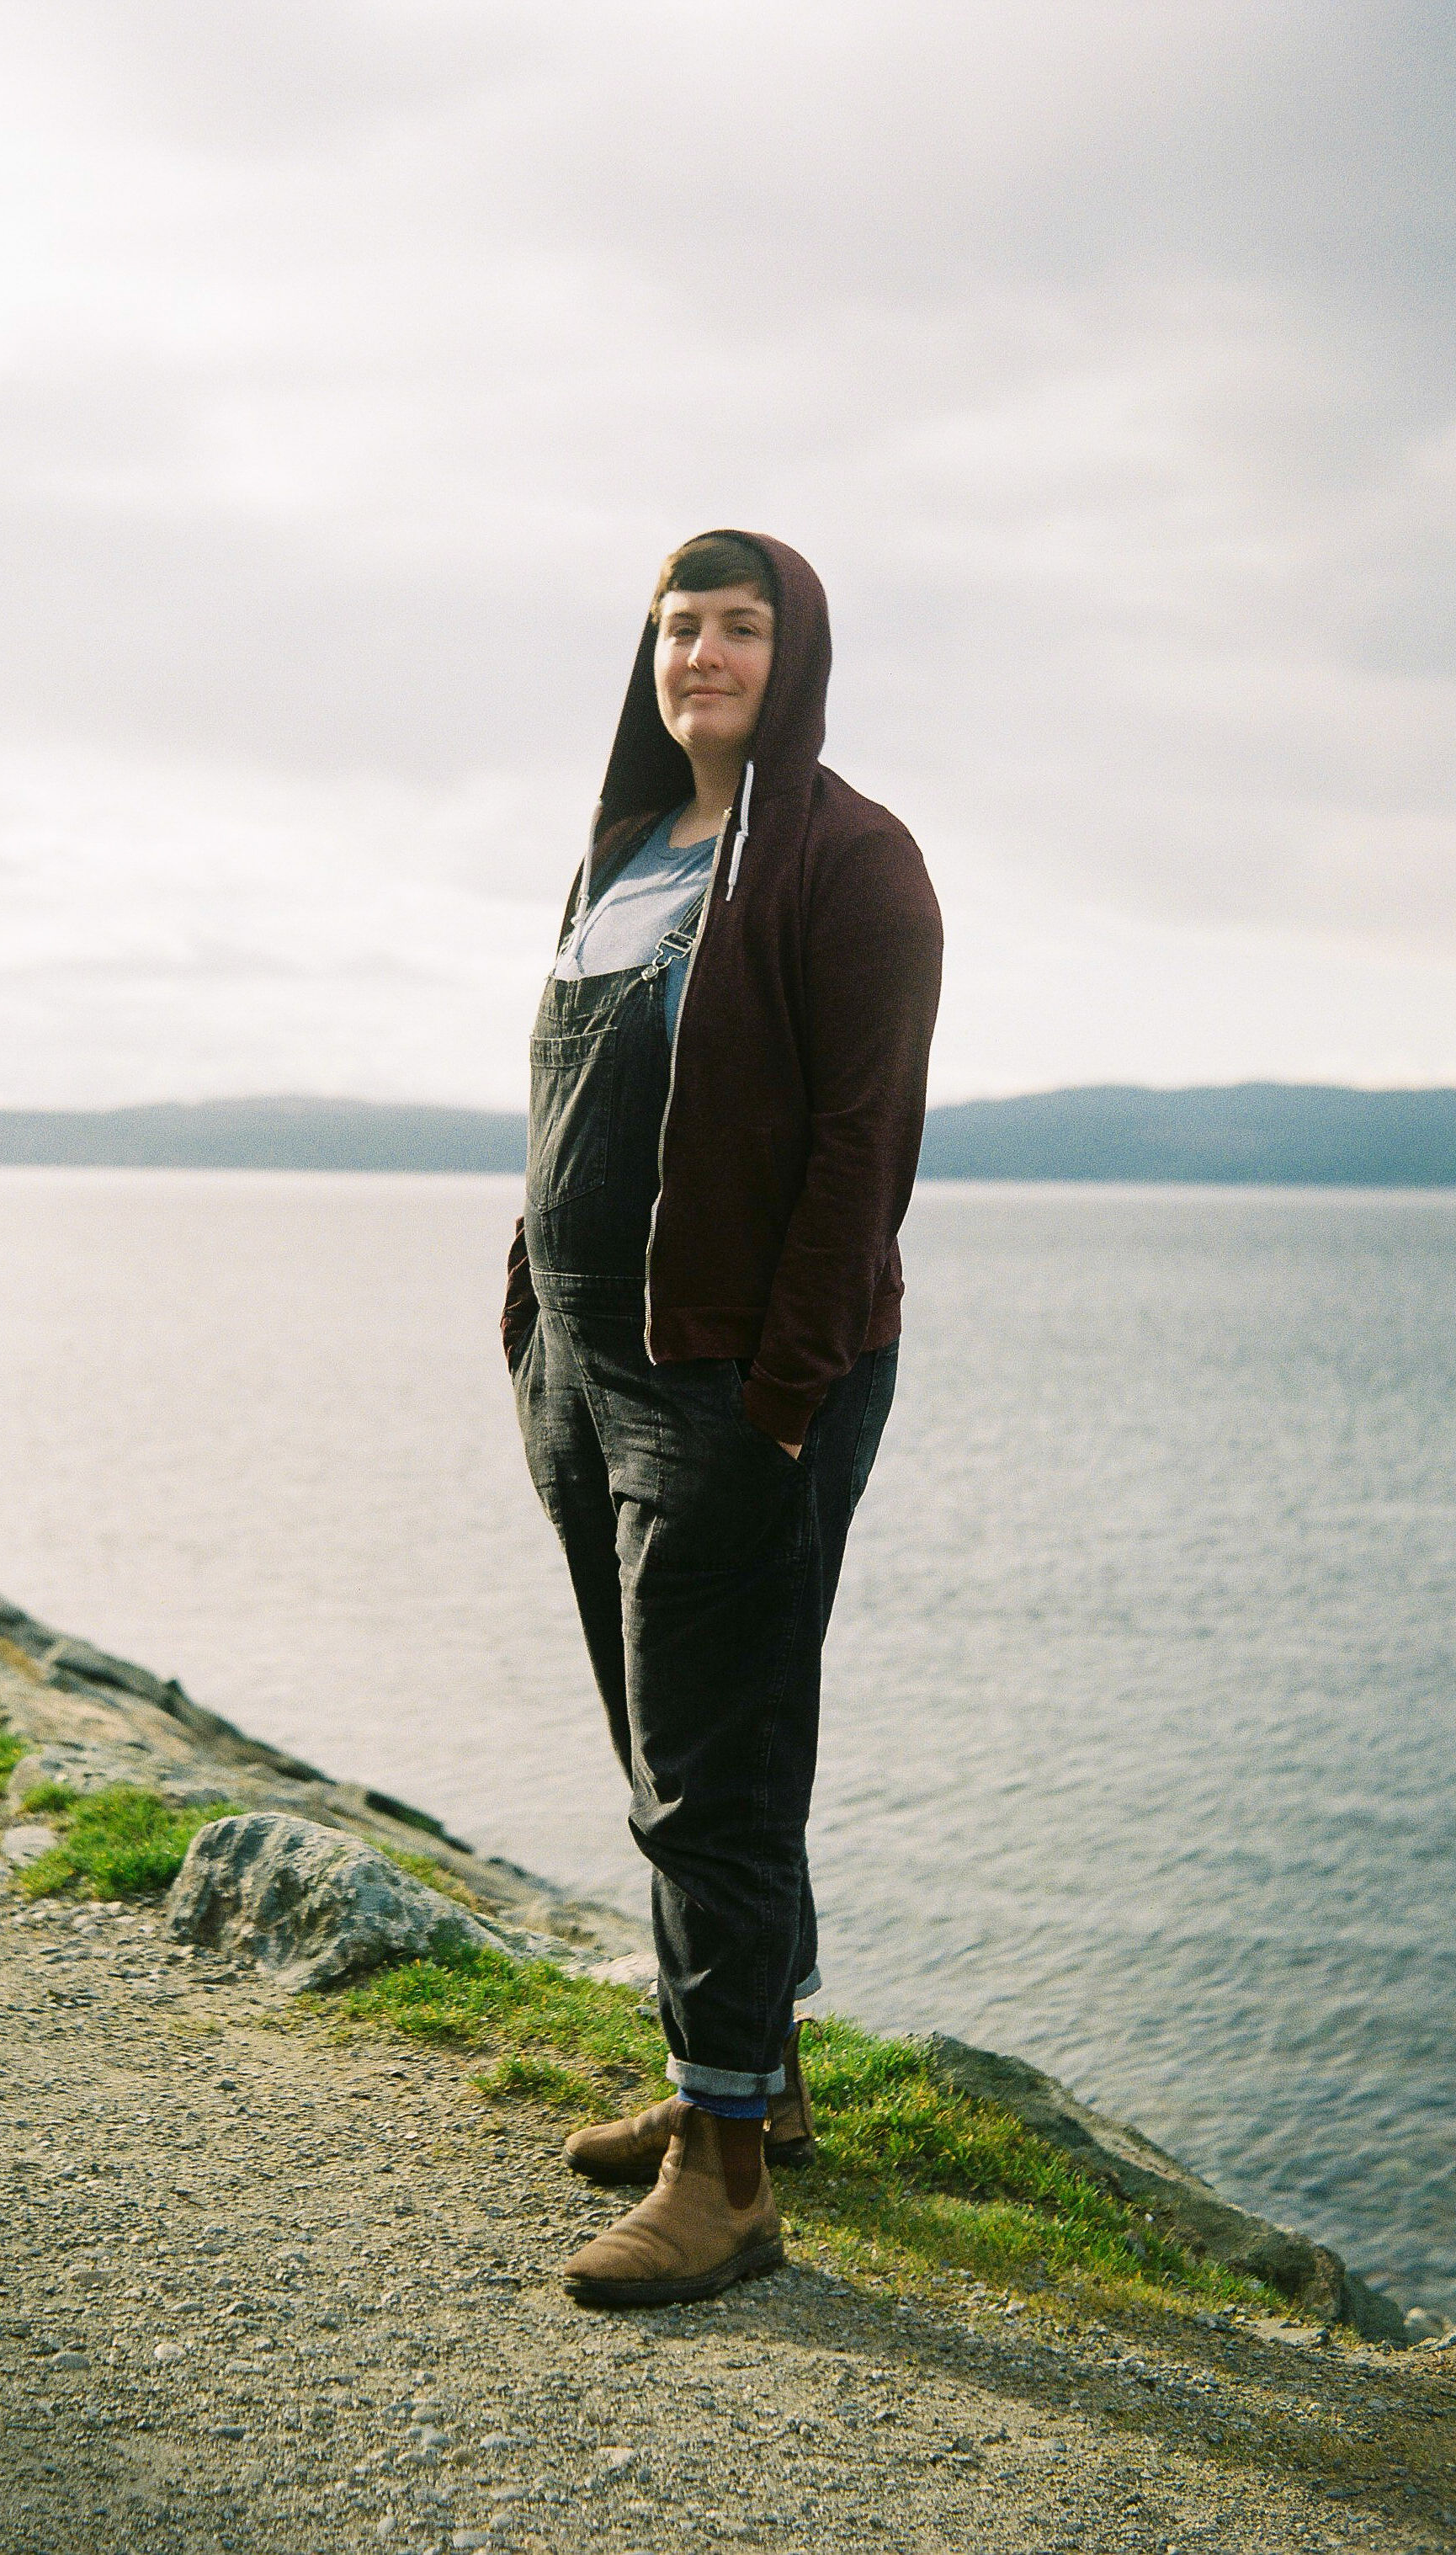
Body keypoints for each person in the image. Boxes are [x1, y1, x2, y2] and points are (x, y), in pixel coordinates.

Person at [504, 530, 942, 2307]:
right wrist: (528, 1303)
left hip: (734, 1379)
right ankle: (753, 2059)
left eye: (736, 625)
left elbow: (858, 1150)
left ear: (793, 651)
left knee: (715, 1765)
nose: (699, 652)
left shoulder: (852, 863)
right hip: (583, 1366)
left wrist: (777, 1395)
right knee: (664, 1738)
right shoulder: (626, 846)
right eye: (675, 625)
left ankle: (727, 2171)